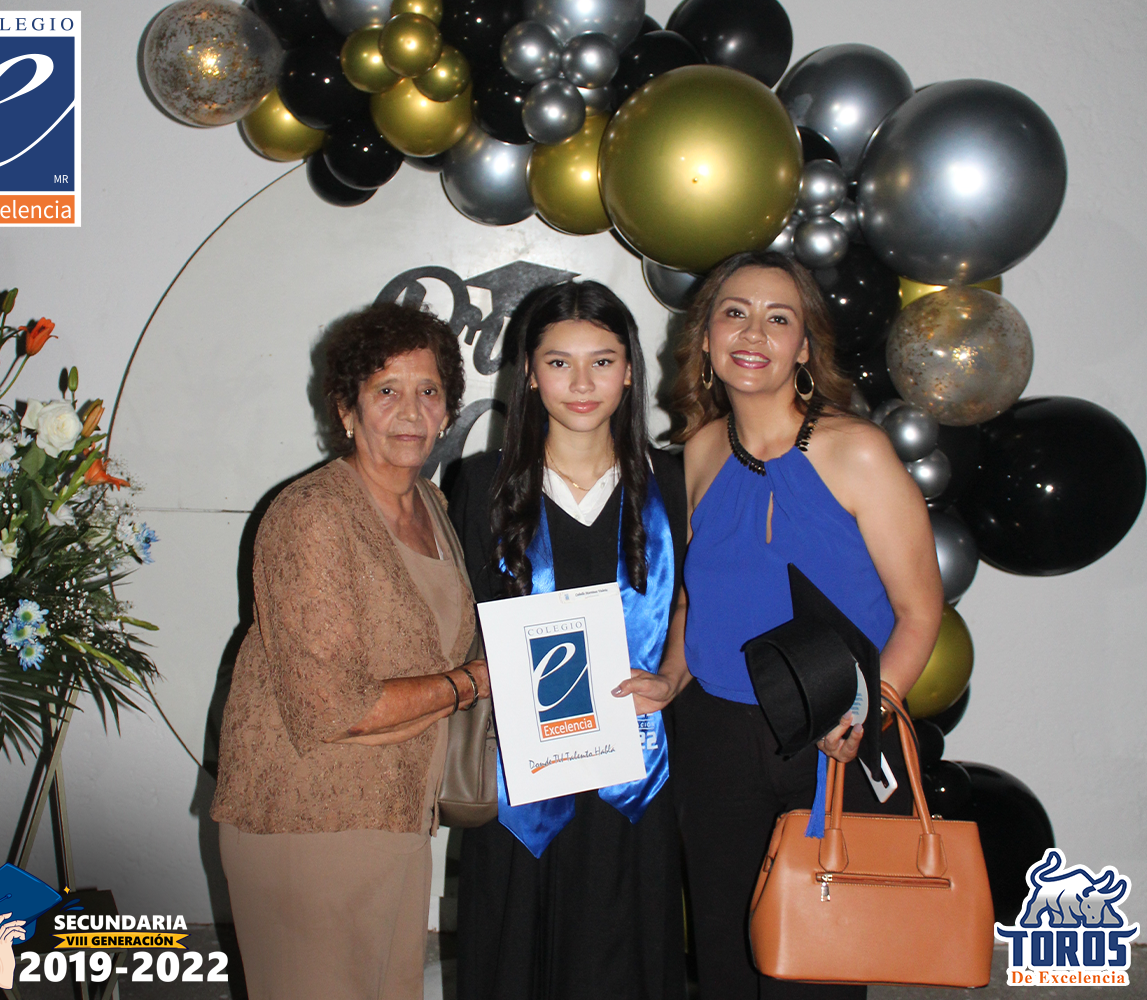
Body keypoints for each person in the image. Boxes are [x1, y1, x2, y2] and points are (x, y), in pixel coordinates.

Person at [647, 251, 944, 1000]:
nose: (754, 333)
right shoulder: (699, 450)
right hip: (713, 733)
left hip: (828, 734)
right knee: (724, 949)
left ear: (804, 348)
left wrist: (865, 711)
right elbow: (690, 599)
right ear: (706, 338)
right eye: (735, 313)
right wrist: (671, 675)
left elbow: (920, 611)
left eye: (778, 319)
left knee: (817, 963)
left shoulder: (858, 451)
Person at [210, 301, 490, 1000]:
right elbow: (332, 708)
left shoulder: (433, 507)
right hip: (310, 819)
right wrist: (469, 684)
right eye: (386, 390)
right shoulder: (313, 514)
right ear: (346, 409)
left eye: (429, 391)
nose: (411, 411)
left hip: (399, 815)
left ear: (447, 411)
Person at [449, 281, 688, 1000]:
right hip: (523, 770)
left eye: (602, 361)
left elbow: (692, 601)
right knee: (514, 949)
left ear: (629, 370)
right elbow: (456, 617)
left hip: (635, 764)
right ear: (529, 372)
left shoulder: (673, 483)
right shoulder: (481, 484)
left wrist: (673, 677)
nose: (582, 383)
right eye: (559, 362)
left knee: (624, 952)